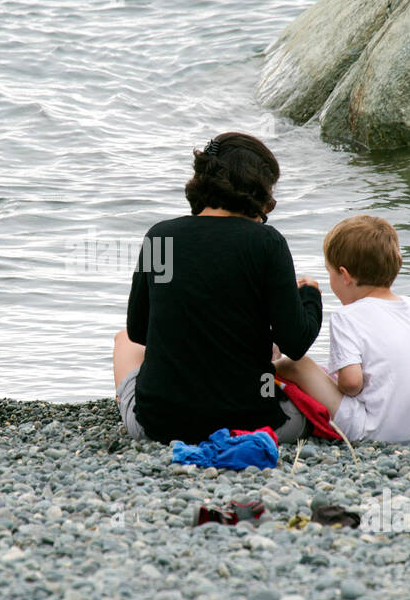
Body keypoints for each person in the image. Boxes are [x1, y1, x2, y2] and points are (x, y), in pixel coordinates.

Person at [113, 131, 323, 444]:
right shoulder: (268, 243)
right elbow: (295, 342)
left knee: (123, 342)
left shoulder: (159, 236)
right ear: (257, 189)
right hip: (253, 423)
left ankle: (144, 402)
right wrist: (309, 296)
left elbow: (138, 332)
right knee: (288, 384)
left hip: (157, 426)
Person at [273, 214, 410, 443]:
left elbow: (352, 384)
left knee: (296, 364)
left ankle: (268, 368)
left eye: (329, 272)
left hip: (376, 430)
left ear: (345, 275)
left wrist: (336, 380)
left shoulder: (347, 317)